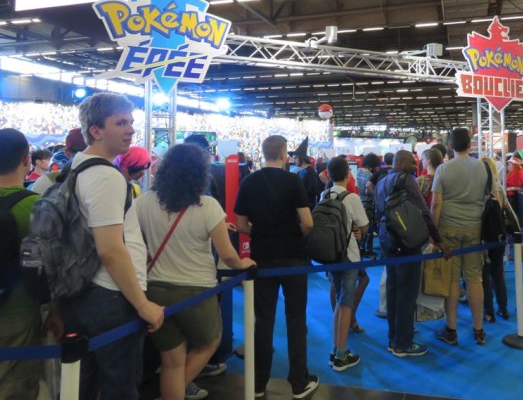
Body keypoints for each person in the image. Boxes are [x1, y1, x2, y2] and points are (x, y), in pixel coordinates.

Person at [58, 93, 164, 400]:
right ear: (96, 130)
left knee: (83, 384)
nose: (130, 129)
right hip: (110, 295)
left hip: (80, 289)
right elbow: (111, 249)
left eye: (130, 122)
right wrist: (142, 305)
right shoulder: (106, 176)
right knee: (120, 386)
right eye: (120, 123)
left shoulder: (75, 168)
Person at [137, 144, 255, 400]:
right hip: (196, 291)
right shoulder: (207, 205)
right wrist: (243, 263)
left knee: (171, 361)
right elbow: (227, 254)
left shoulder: (143, 202)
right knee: (209, 342)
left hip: (155, 290)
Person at [235, 135, 319, 399]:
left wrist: (263, 234)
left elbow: (241, 225)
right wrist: (292, 235)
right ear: (283, 153)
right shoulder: (293, 181)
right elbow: (308, 223)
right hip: (293, 257)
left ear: (263, 153)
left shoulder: (249, 182)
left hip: (262, 258)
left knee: (263, 320)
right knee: (296, 319)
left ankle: (258, 384)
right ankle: (299, 382)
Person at [0, 129, 53, 400]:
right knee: (16, 384)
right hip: (19, 311)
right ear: (27, 161)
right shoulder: (37, 206)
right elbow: (52, 263)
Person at [375, 150, 445, 357]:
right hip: (407, 242)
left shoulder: (381, 182)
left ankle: (394, 337)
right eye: (411, 162)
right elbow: (423, 210)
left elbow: (378, 213)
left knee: (393, 289)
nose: (415, 166)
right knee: (407, 292)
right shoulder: (406, 180)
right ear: (401, 162)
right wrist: (437, 239)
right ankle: (403, 343)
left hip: (387, 241)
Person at [431, 128, 488, 346]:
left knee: (452, 279)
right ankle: (478, 329)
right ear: (470, 144)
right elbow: (489, 196)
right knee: (474, 278)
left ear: (450, 146)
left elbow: (436, 204)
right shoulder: (482, 166)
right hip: (475, 227)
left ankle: (451, 329)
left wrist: (434, 233)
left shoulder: (443, 169)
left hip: (449, 229)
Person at [321, 157, 369, 371]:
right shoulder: (352, 198)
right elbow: (364, 226)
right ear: (348, 175)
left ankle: (336, 349)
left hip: (331, 255)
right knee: (346, 304)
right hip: (349, 255)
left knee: (340, 302)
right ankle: (340, 355)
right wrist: (359, 231)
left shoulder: (325, 195)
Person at [481, 156, 509, 322]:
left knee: (484, 276)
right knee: (498, 274)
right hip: (498, 235)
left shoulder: (479, 189)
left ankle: (489, 312)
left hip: (484, 237)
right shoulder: (499, 187)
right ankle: (503, 309)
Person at [31, 128, 87, 194]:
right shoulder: (46, 180)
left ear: (66, 152)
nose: (50, 162)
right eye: (48, 159)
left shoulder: (47, 181)